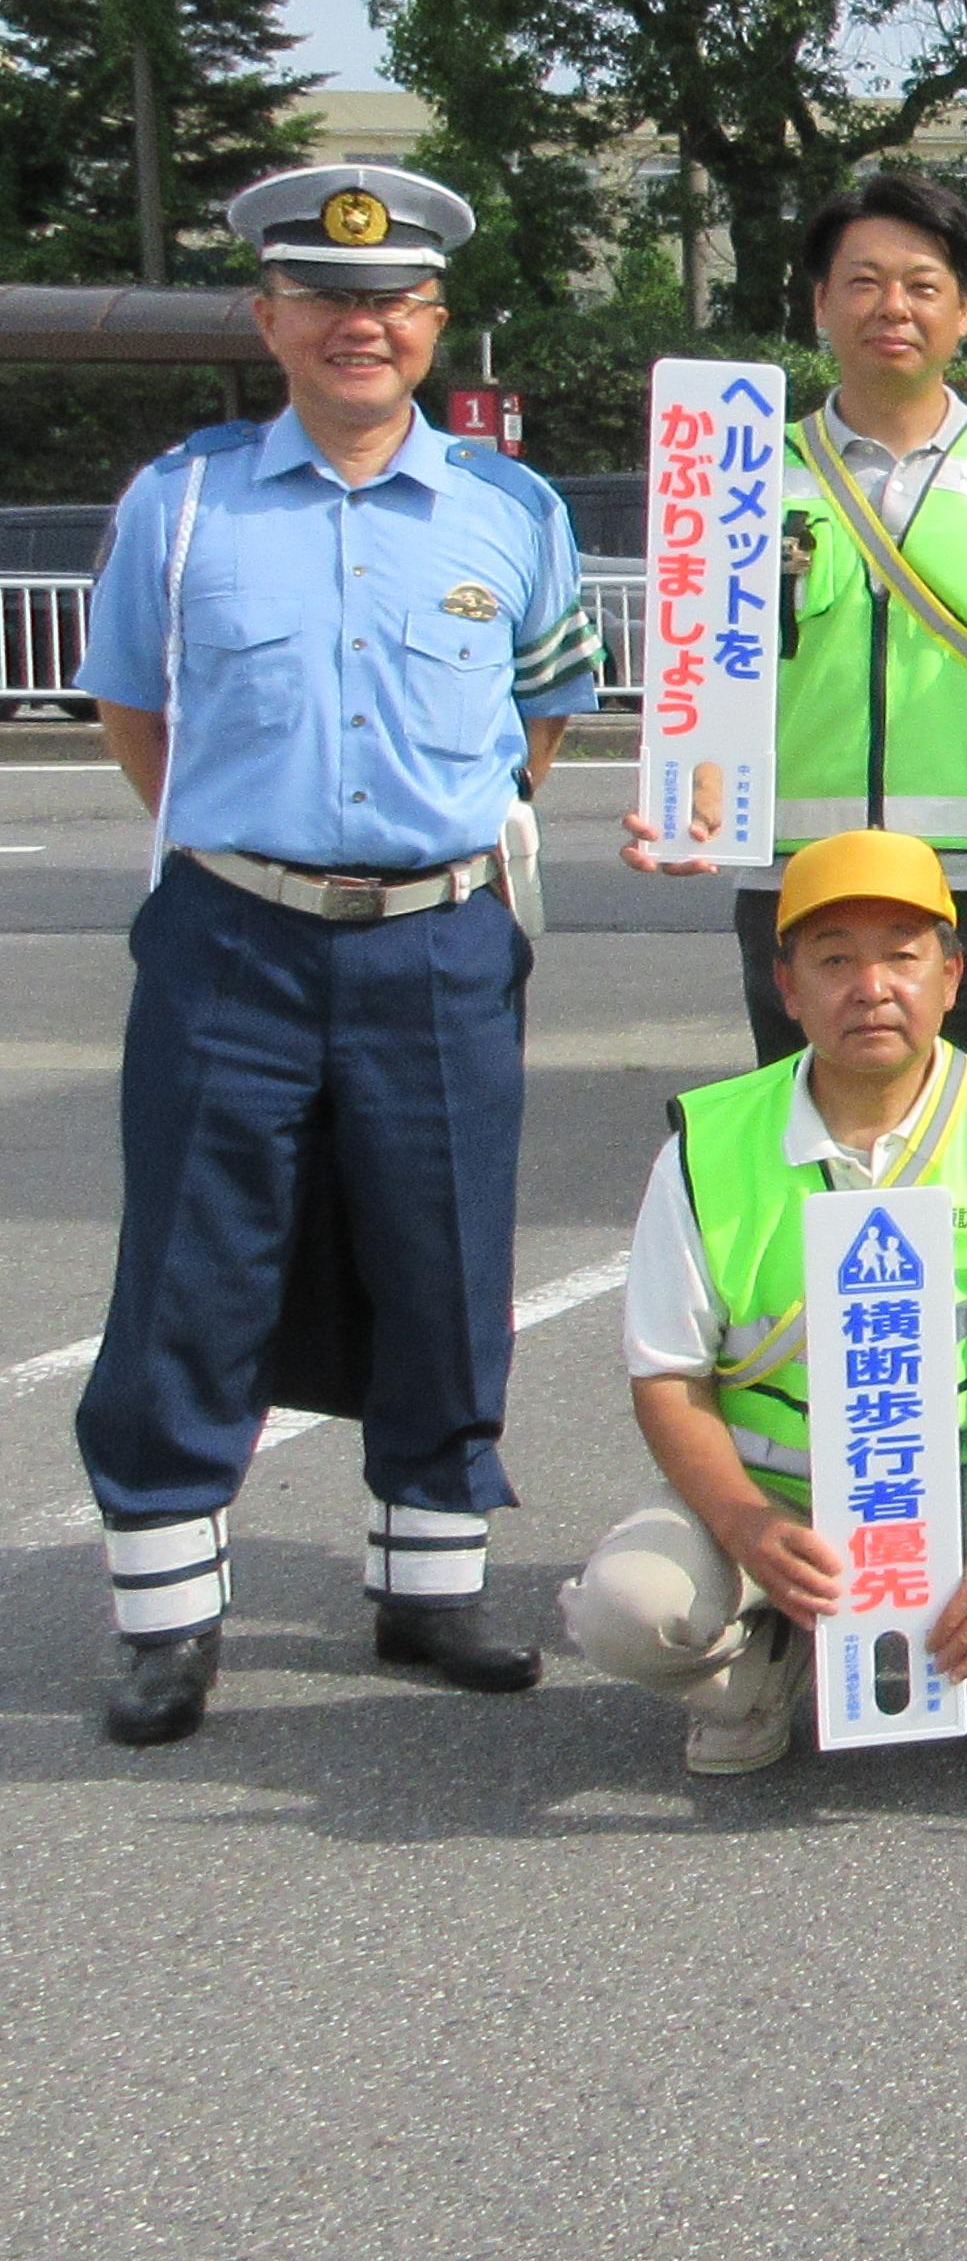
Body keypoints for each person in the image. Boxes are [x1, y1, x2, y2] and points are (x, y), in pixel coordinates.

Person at [71, 161, 600, 1748]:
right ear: (269, 318)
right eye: (324, 298)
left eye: (390, 302)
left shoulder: (513, 509)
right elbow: (132, 712)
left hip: (438, 940)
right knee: (191, 1262)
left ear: (436, 322)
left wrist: (433, 847)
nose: (358, 326)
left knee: (444, 1252)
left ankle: (429, 1583)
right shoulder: (183, 503)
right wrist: (258, 844)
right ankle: (165, 1617)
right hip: (231, 931)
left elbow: (546, 710)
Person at [566, 833, 967, 1768]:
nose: (871, 985)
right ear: (786, 985)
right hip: (778, 1484)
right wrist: (744, 1524)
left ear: (954, 975)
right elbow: (667, 1374)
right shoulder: (709, 1141)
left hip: (962, 1475)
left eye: (902, 953)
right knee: (630, 1612)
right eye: (834, 957)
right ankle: (764, 1673)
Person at [628, 171, 967, 1080]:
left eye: (923, 284)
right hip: (799, 887)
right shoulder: (742, 472)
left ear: (965, 311)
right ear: (820, 303)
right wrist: (676, 805)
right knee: (813, 1163)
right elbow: (696, 677)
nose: (891, 306)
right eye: (862, 281)